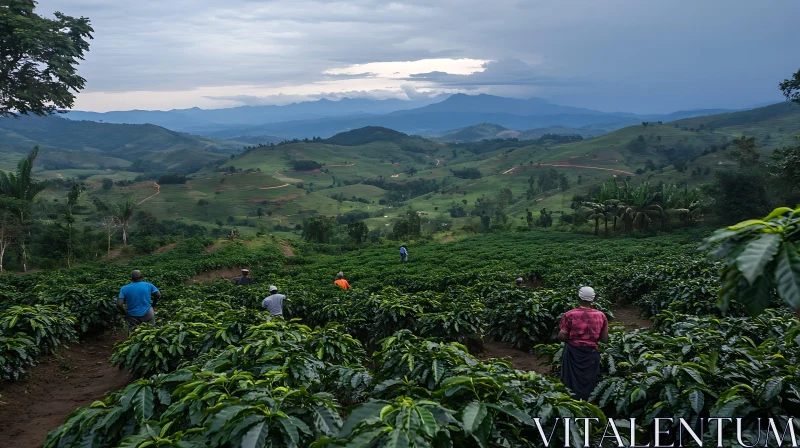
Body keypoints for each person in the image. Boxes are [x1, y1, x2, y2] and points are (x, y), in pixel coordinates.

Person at [557, 286, 609, 400]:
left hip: (573, 352)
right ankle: (588, 403)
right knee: (589, 380)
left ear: (579, 297)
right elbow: (604, 339)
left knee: (569, 379)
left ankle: (571, 402)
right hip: (591, 353)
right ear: (593, 299)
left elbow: (562, 336)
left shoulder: (570, 314)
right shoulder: (601, 315)